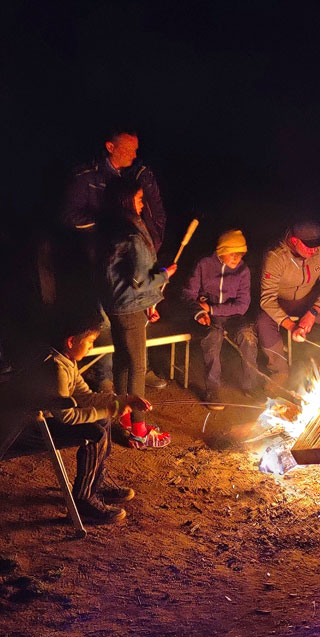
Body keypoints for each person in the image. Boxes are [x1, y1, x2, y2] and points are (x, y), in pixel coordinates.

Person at [0, 313, 149, 524]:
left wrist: (125, 400)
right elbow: (67, 417)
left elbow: (86, 397)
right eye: (90, 342)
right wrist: (111, 410)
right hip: (22, 430)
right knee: (95, 432)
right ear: (71, 341)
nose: (91, 347)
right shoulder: (54, 367)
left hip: (39, 420)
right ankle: (84, 499)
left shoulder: (66, 359)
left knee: (101, 422)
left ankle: (95, 482)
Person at [60, 128, 167, 390]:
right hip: (100, 264)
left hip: (129, 264)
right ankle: (105, 377)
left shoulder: (132, 175)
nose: (135, 154)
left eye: (136, 148)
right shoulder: (88, 176)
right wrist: (111, 221)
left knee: (132, 325)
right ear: (110, 147)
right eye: (128, 148)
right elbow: (70, 216)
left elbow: (149, 214)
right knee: (106, 323)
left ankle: (133, 375)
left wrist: (147, 246)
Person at [97, 177, 175, 449]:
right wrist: (165, 275)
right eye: (140, 199)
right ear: (127, 200)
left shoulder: (109, 226)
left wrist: (149, 303)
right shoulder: (131, 233)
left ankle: (126, 419)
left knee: (122, 361)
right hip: (130, 307)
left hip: (117, 305)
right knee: (138, 367)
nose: (143, 205)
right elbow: (141, 279)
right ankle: (139, 431)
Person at [258, 220, 320, 385]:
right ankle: (279, 374)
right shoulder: (275, 256)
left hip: (309, 300)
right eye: (308, 245)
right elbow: (267, 300)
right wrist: (291, 326)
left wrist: (313, 313)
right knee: (263, 321)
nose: (313, 250)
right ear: (295, 240)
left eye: (316, 245)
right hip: (281, 303)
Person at [182, 229, 258, 410]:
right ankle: (212, 389)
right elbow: (188, 294)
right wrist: (200, 312)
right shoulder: (204, 264)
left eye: (240, 254)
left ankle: (252, 385)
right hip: (208, 317)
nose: (237, 258)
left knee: (248, 336)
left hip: (232, 316)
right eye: (233, 254)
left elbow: (242, 305)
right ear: (221, 251)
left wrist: (212, 308)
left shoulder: (243, 271)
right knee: (213, 337)